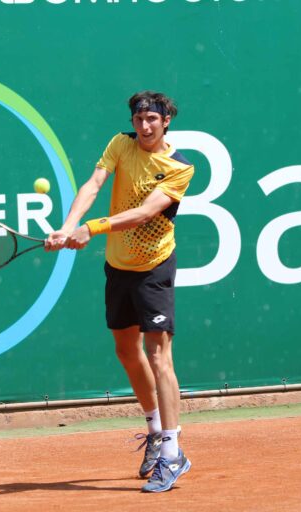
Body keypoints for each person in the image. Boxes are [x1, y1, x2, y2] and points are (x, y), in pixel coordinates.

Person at [45, 91, 194, 493]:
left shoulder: (178, 167)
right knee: (126, 351)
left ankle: (173, 452)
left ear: (166, 122)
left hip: (154, 267)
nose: (145, 126)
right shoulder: (119, 144)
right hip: (119, 267)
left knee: (158, 354)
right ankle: (154, 429)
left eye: (152, 119)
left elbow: (146, 212)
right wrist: (67, 225)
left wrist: (91, 229)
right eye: (139, 118)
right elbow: (94, 184)